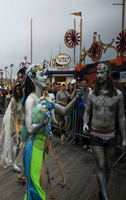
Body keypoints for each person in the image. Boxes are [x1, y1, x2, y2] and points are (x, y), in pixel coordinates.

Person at [23, 66, 82, 200]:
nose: (44, 77)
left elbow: (65, 110)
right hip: (34, 151)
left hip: (42, 149)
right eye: (40, 75)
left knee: (44, 191)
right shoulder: (30, 100)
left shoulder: (46, 98)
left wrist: (76, 97)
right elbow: (29, 129)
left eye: (44, 74)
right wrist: (43, 123)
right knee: (47, 191)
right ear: (33, 79)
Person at [83, 63, 126, 200]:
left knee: (108, 167)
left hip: (111, 134)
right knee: (101, 164)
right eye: (97, 73)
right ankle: (105, 197)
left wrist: (124, 137)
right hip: (96, 133)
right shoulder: (92, 95)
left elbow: (121, 117)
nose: (99, 75)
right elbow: (87, 112)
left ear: (108, 74)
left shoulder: (118, 95)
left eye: (102, 73)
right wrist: (85, 123)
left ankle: (102, 191)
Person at [0, 83, 24, 173]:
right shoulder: (14, 100)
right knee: (16, 144)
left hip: (23, 125)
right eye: (16, 89)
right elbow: (12, 115)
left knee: (19, 145)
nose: (18, 91)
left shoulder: (24, 99)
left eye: (20, 89)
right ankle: (13, 162)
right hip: (16, 125)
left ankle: (14, 159)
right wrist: (13, 129)